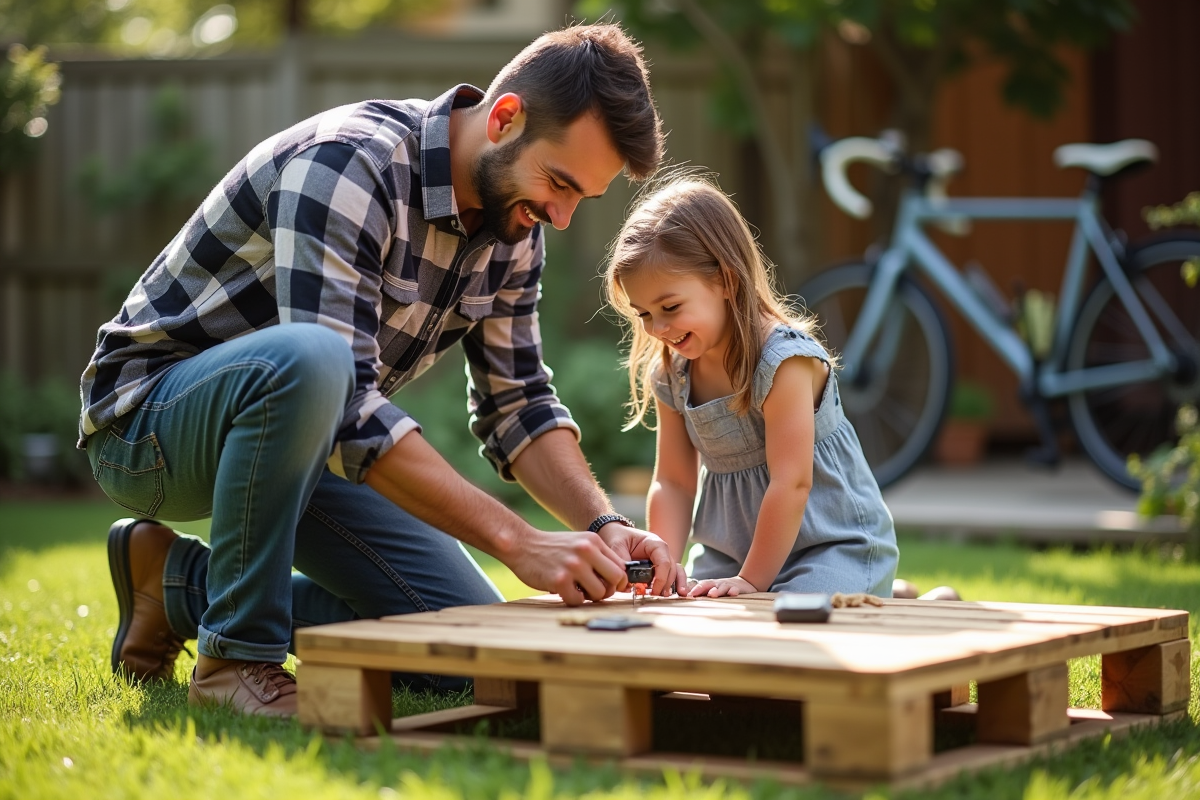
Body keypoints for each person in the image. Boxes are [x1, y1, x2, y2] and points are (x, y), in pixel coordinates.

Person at [81, 23, 686, 718]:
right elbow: (340, 402)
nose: (563, 215)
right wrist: (517, 540)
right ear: (505, 117)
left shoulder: (516, 228)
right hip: (148, 427)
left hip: (302, 449)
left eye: (584, 197)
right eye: (559, 183)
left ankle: (176, 586)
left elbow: (516, 403)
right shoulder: (347, 166)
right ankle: (236, 659)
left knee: (467, 647)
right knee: (314, 358)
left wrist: (604, 524)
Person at [603, 176, 899, 598]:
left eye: (670, 307)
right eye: (644, 314)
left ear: (725, 279)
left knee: (796, 626)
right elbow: (673, 481)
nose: (659, 328)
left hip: (832, 546)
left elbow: (792, 483)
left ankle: (908, 598)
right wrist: (660, 565)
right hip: (732, 557)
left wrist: (752, 583)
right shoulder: (674, 372)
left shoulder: (784, 363)